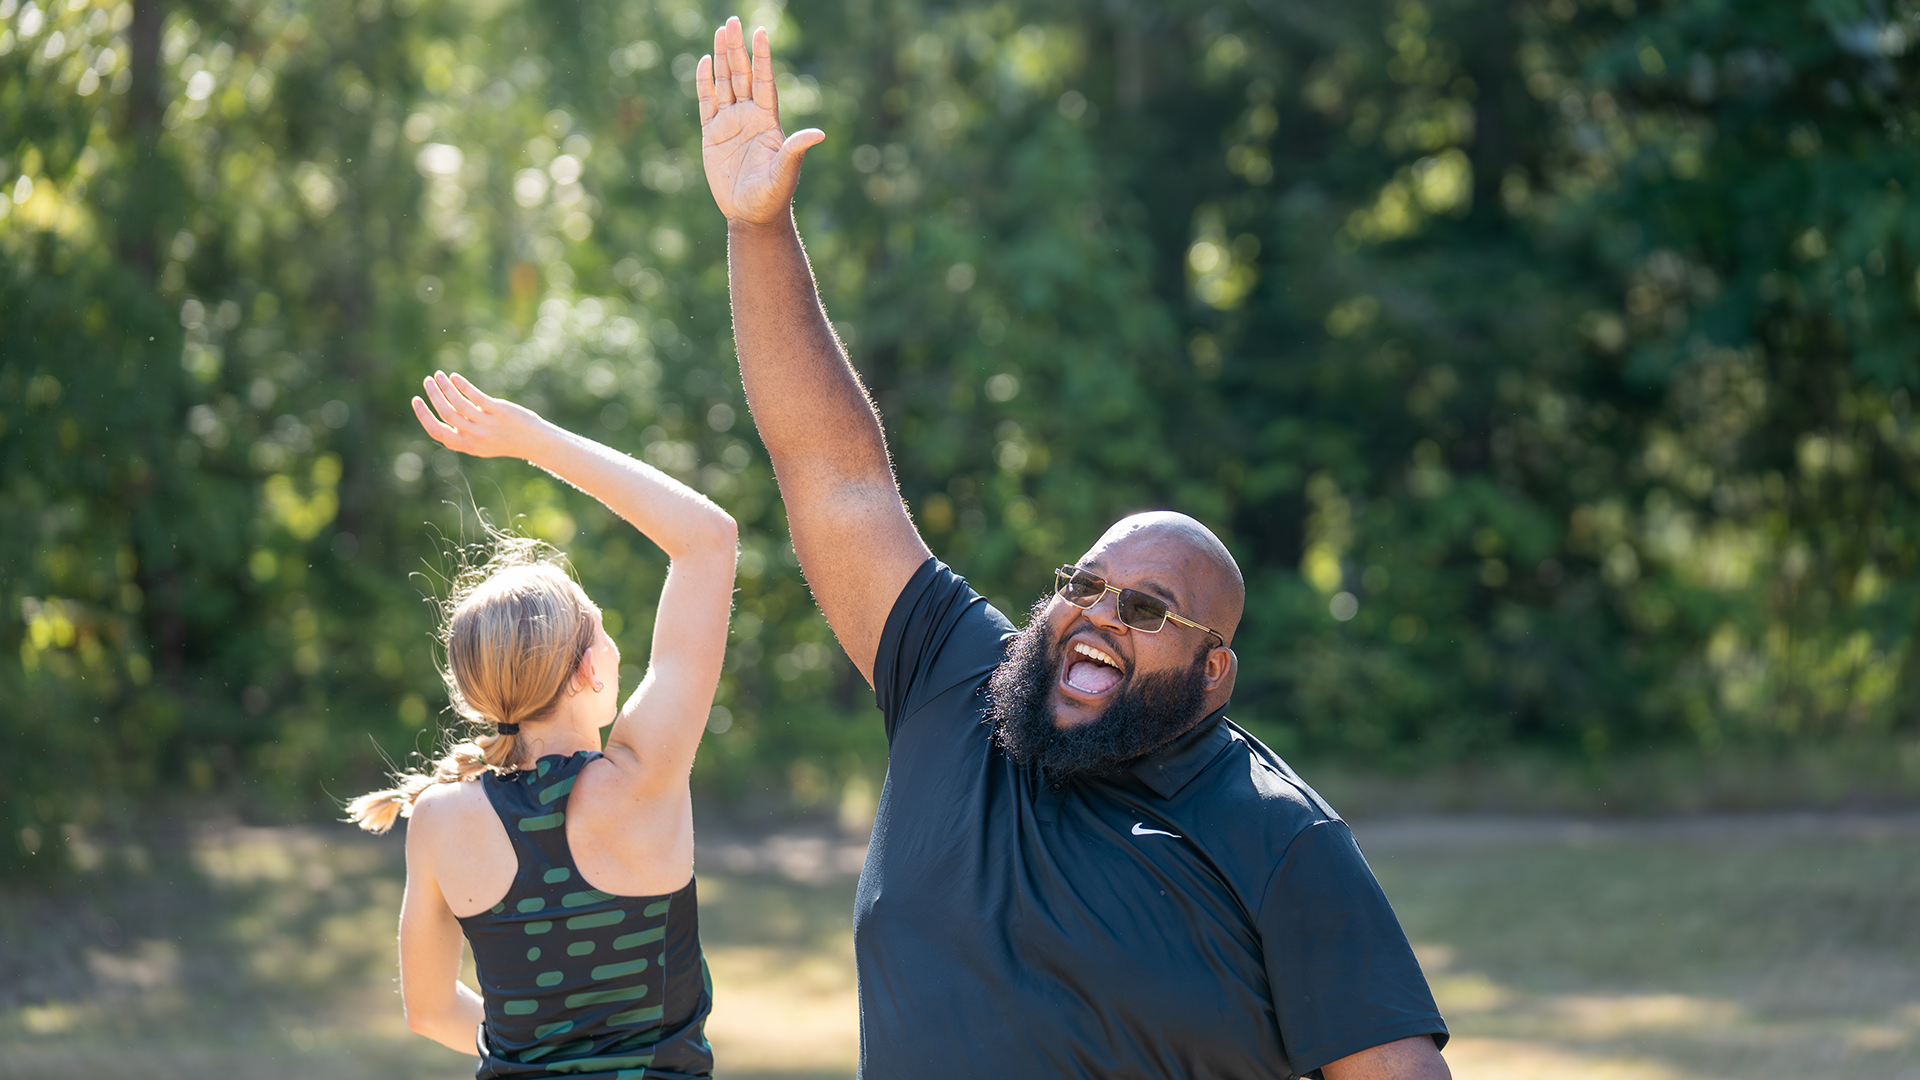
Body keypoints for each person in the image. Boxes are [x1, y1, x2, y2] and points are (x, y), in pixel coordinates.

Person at [696, 17, 1450, 1080]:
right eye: (1084, 585)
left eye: (1146, 609)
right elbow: (837, 475)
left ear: (1213, 673)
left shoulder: (1278, 839)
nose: (1099, 611)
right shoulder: (956, 686)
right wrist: (758, 228)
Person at [346, 371, 736, 1080]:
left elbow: (429, 1012)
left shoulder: (439, 818)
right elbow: (708, 538)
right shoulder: (645, 780)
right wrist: (535, 440)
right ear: (590, 669)